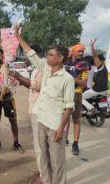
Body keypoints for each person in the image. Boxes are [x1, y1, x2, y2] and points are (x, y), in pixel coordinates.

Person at [15, 29, 75, 184]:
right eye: (47, 54)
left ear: (60, 58)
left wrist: (62, 128)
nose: (47, 57)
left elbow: (69, 106)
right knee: (42, 156)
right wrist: (17, 37)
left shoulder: (67, 79)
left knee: (57, 161)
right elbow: (31, 53)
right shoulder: (46, 69)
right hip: (40, 119)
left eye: (51, 55)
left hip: (55, 124)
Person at [10, 44, 44, 184]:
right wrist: (18, 79)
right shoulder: (37, 69)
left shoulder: (43, 68)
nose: (27, 58)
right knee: (38, 145)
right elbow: (30, 84)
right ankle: (43, 170)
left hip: (40, 110)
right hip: (35, 108)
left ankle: (44, 176)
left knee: (41, 145)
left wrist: (18, 76)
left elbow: (36, 86)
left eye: (29, 55)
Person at [0, 49, 22, 151]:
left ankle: (16, 141)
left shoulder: (8, 65)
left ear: (3, 56)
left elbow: (14, 79)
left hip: (8, 97)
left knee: (13, 120)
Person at [65, 43, 91, 155]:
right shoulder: (65, 62)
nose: (81, 53)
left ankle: (75, 144)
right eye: (79, 51)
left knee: (76, 120)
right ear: (73, 52)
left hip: (76, 94)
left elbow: (84, 84)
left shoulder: (84, 65)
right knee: (64, 118)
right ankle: (64, 138)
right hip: (64, 93)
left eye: (82, 51)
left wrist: (71, 78)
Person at [82, 39, 110, 115]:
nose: (94, 61)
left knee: (80, 98)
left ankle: (91, 108)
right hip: (105, 89)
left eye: (96, 60)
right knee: (108, 95)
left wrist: (91, 46)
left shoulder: (99, 66)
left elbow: (94, 55)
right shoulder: (104, 68)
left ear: (99, 61)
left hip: (96, 90)